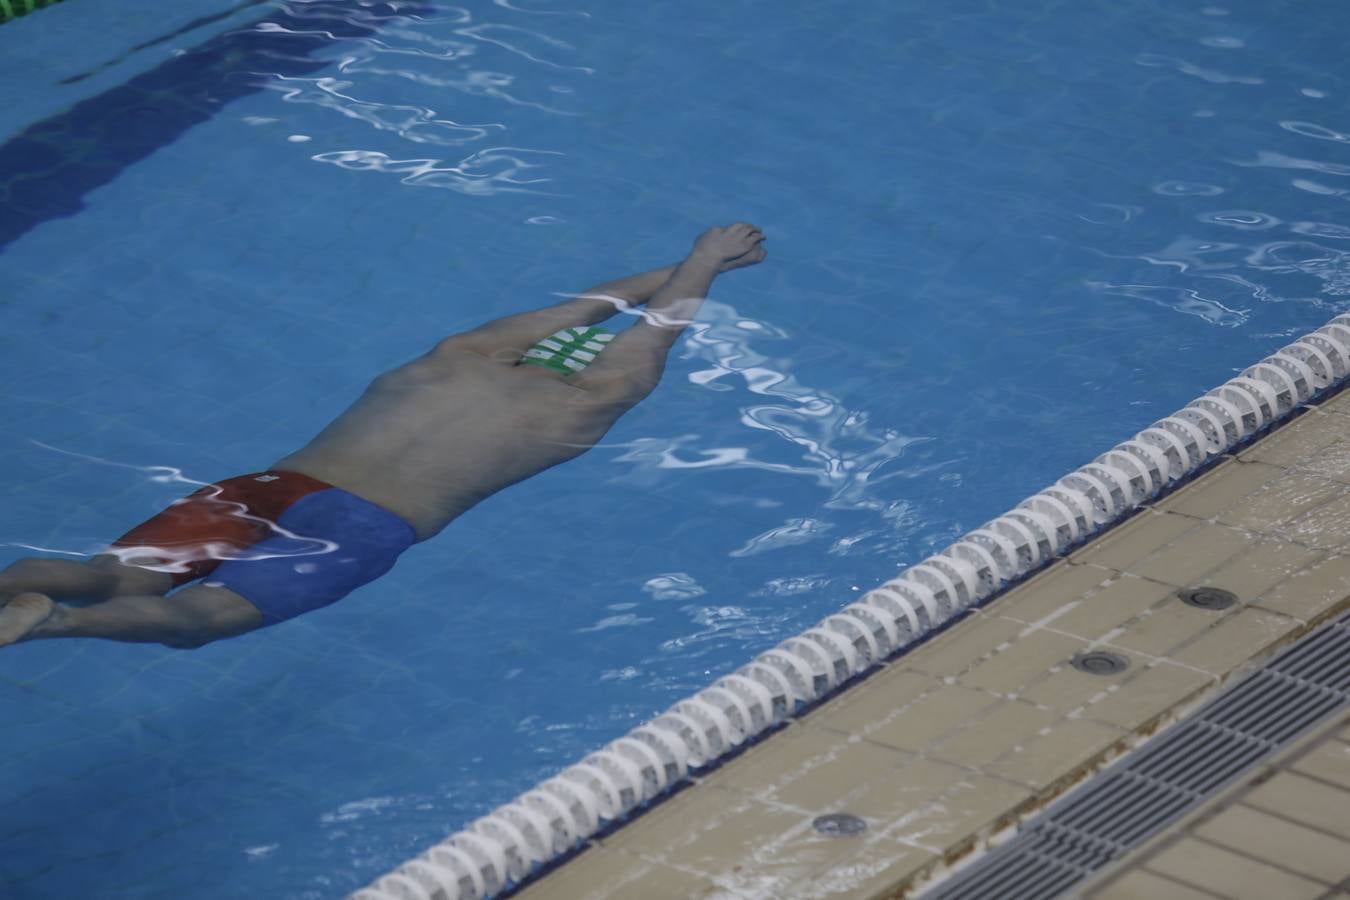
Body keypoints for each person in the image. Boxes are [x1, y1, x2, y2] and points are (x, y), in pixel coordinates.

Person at [0, 223, 767, 649]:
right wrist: (709, 265)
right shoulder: (593, 400)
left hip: (271, 488)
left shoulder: (456, 356)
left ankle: (31, 586)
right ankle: (57, 622)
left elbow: (601, 304)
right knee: (197, 621)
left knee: (115, 572)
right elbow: (658, 332)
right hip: (360, 529)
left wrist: (684, 257)